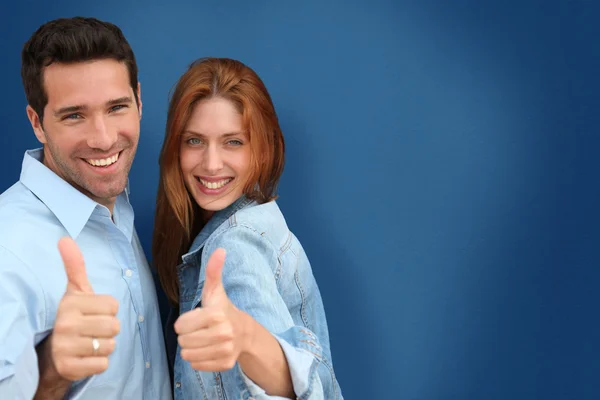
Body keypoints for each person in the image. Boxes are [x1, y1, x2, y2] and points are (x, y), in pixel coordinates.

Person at [0, 17, 171, 399]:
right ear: (37, 123)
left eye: (116, 107)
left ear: (139, 101)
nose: (104, 139)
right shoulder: (6, 250)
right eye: (74, 115)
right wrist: (51, 372)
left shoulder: (115, 207)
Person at [152, 57, 343, 399]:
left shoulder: (235, 246)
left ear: (262, 150)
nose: (211, 163)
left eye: (233, 142)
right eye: (194, 141)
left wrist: (248, 337)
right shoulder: (252, 226)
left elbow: (301, 391)